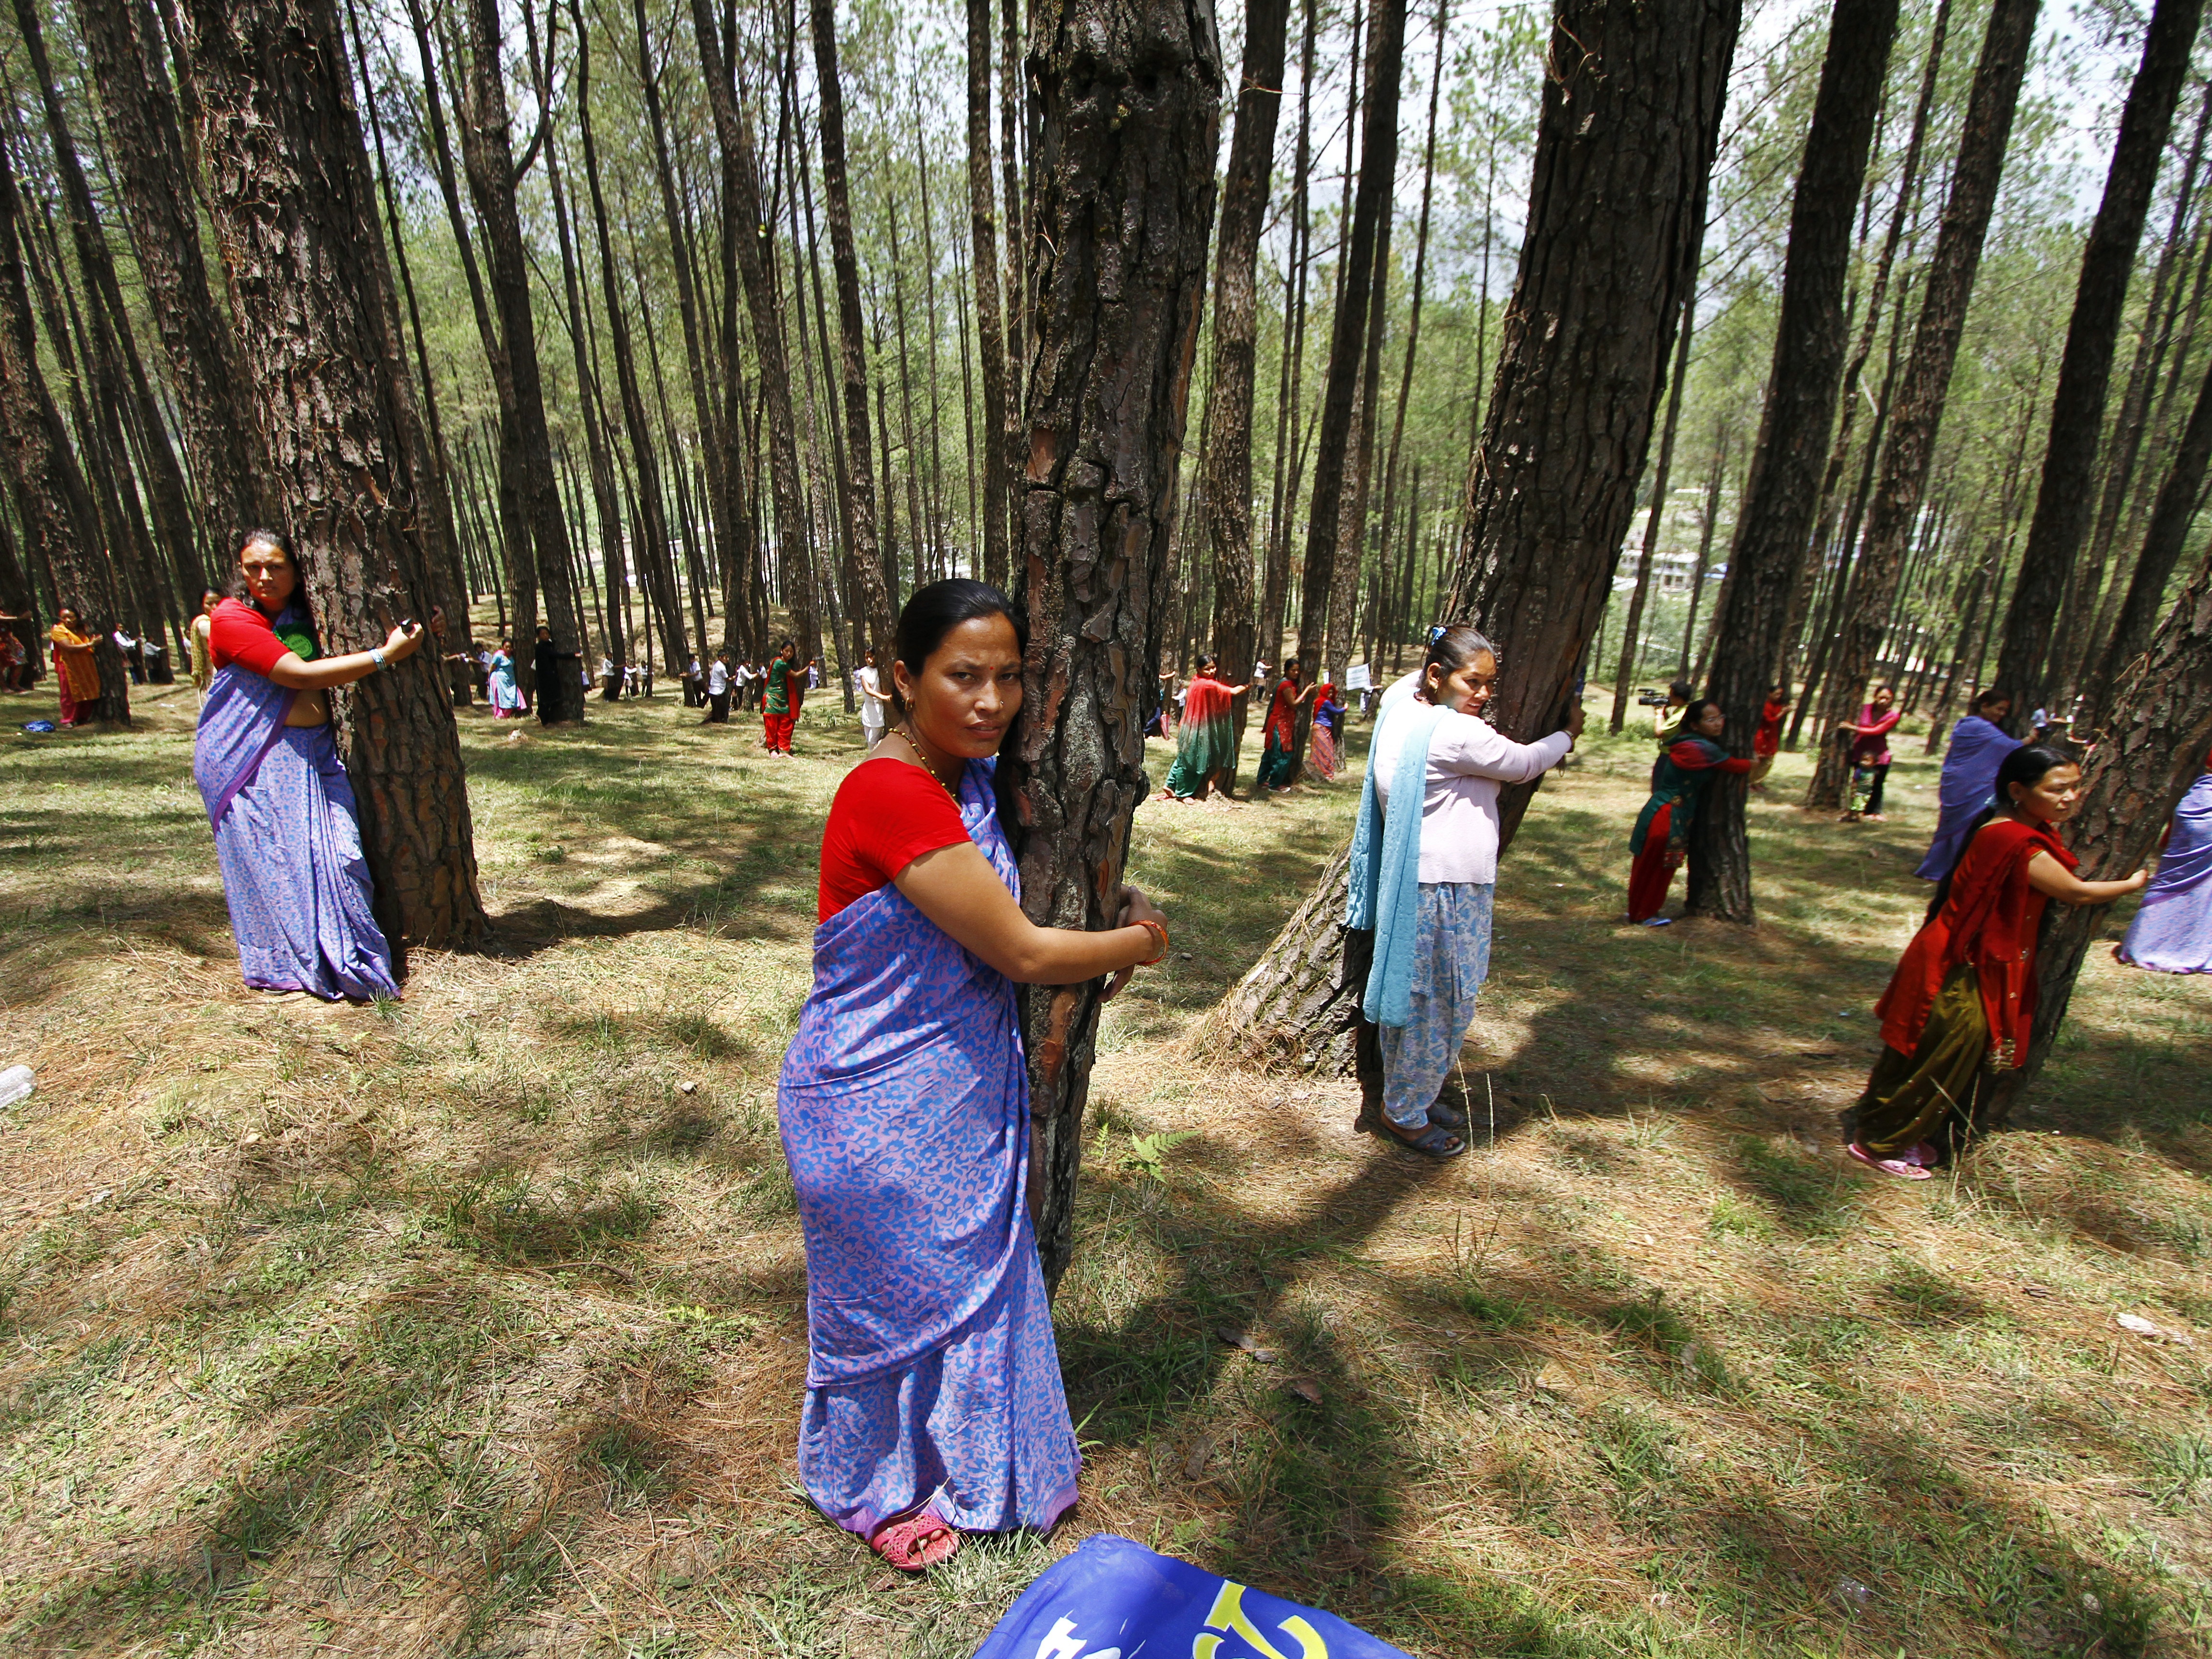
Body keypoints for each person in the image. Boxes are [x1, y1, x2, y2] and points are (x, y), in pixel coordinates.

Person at [780, 578, 1169, 1572]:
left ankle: (969, 1467)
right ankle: (871, 1484)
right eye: (962, 677)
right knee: (895, 1302)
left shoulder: (968, 782)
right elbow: (1026, 955)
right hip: (873, 1100)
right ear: (905, 678)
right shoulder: (890, 790)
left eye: (1007, 677)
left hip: (949, 1092)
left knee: (962, 1284)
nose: (991, 701)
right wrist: (1139, 940)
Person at [1847, 745, 2148, 1177]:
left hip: (1962, 957)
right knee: (1940, 1051)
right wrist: (2133, 883)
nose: (2070, 798)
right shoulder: (2012, 838)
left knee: (1935, 1050)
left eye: (2077, 787)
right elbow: (2075, 892)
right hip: (1958, 963)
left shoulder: (2023, 829)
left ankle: (1895, 1132)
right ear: (2017, 791)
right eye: (2058, 789)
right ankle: (1879, 1144)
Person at [1348, 626, 1580, 1159]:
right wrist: (1568, 734)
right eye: (1471, 681)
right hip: (1446, 889)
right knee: (1443, 1004)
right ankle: (1404, 1113)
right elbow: (1523, 764)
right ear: (1437, 676)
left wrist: (1441, 656)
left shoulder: (1401, 707)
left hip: (1416, 885)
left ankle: (1414, 1095)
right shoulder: (1455, 733)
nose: (1481, 695)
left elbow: (1410, 681)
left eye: (1489, 684)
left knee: (1418, 1001)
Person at [194, 529, 441, 1002]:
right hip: (252, 760)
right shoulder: (232, 618)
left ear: (297, 566)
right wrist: (384, 656)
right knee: (278, 866)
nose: (264, 576)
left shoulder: (309, 613)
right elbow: (298, 674)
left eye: (276, 566)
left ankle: (345, 955)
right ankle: (291, 965)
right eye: (253, 567)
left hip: (312, 753)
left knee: (339, 854)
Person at [1627, 698, 1752, 926]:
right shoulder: (1697, 748)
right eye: (1710, 719)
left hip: (1666, 810)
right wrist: (1756, 764)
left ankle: (1638, 911)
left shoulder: (1688, 742)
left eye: (1720, 718)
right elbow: (1737, 766)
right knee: (1658, 866)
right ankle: (1644, 914)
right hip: (1669, 814)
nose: (1718, 724)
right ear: (1695, 725)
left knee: (1650, 865)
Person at [2116, 748, 2212, 975]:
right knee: (2187, 880)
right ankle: (2177, 947)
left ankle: (2150, 942)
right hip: (2202, 803)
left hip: (2198, 798)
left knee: (2179, 879)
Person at [1916, 689, 2022, 880]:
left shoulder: (1971, 725)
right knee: (1962, 825)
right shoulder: (1976, 725)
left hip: (1964, 781)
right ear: (1984, 706)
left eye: (2005, 711)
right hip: (1966, 783)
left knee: (1963, 826)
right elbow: (2010, 748)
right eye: (1999, 709)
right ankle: (1946, 867)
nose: (2002, 714)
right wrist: (2033, 738)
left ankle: (1947, 867)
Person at [1158, 654, 1248, 800]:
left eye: (1214, 667)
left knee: (1184, 757)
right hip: (1198, 728)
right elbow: (1233, 692)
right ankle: (1183, 793)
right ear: (1199, 669)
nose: (1212, 671)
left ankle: (1170, 784)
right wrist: (1248, 685)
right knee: (1194, 761)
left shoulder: (1196, 680)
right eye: (1207, 669)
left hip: (1190, 726)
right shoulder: (1207, 684)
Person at [1837, 684, 1901, 821]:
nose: (1884, 701)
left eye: (1888, 698)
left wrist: (1853, 728)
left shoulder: (1893, 716)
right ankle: (1855, 809)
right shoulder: (1863, 709)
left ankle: (1875, 811)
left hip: (1879, 754)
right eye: (1881, 697)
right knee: (1859, 782)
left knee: (1877, 783)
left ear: (1892, 699)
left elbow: (1877, 731)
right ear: (1875, 697)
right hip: (1860, 751)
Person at [1253, 660, 1316, 791]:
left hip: (1281, 722)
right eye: (1293, 670)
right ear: (1287, 670)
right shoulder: (1286, 685)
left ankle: (1262, 780)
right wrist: (1306, 692)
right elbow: (1293, 703)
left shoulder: (1288, 683)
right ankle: (1275, 784)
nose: (1296, 673)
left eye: (1298, 670)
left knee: (1272, 752)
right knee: (1282, 754)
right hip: (1280, 723)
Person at [48, 607, 102, 725]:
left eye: (71, 617)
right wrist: (90, 644)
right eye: (64, 618)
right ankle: (69, 719)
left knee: (88, 690)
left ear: (77, 617)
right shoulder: (59, 631)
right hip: (69, 666)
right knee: (70, 694)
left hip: (86, 665)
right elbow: (69, 647)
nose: (68, 620)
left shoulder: (82, 629)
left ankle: (84, 717)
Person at [1748, 685, 1791, 789]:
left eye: (1780, 694)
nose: (1778, 696)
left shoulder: (1777, 705)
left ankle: (1758, 782)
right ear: (1769, 693)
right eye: (1776, 694)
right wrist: (1783, 713)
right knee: (1757, 760)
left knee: (1768, 761)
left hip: (1772, 735)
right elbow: (1770, 720)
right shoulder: (1765, 705)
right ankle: (1749, 782)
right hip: (1762, 735)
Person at [534, 625, 577, 726]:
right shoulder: (541, 647)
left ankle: (545, 718)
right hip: (544, 676)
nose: (545, 636)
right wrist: (573, 655)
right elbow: (557, 655)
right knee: (546, 699)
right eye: (543, 634)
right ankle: (544, 720)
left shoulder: (550, 645)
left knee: (554, 698)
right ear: (539, 636)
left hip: (551, 674)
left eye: (547, 634)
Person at [764, 638, 801, 755]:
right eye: (787, 651)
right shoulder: (779, 662)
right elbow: (795, 675)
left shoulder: (786, 664)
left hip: (784, 701)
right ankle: (773, 750)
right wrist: (808, 668)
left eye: (791, 652)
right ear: (781, 651)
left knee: (786, 724)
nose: (789, 654)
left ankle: (784, 750)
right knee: (772, 725)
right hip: (773, 700)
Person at [1309, 679, 1348, 783]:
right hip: (1322, 728)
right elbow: (1336, 711)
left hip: (1318, 727)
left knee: (1318, 751)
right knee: (1327, 751)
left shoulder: (1319, 701)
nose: (1330, 695)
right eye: (1329, 692)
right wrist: (1345, 708)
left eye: (1332, 692)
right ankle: (1327, 773)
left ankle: (1319, 771)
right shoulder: (1325, 702)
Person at [190, 588, 222, 697]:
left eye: (219, 602)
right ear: (202, 606)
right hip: (215, 678)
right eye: (209, 603)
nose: (215, 607)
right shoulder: (203, 624)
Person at [855, 648, 891, 746]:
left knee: (873, 739)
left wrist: (883, 698)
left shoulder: (882, 670)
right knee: (869, 740)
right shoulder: (864, 672)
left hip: (879, 709)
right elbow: (867, 689)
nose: (870, 660)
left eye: (872, 656)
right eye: (867, 658)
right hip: (868, 708)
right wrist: (883, 697)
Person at [487, 638, 526, 717]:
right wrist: (489, 678)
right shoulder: (499, 656)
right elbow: (491, 668)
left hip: (510, 680)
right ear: (502, 647)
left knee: (512, 697)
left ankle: (507, 713)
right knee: (501, 697)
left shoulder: (512, 656)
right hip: (500, 680)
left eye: (510, 647)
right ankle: (500, 714)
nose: (508, 649)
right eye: (506, 647)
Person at [1653, 679, 1693, 746]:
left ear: (1679, 698)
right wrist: (1664, 713)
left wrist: (1659, 716)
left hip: (1669, 753)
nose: (1669, 698)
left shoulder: (1679, 716)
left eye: (1671, 696)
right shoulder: (1686, 709)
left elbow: (1659, 734)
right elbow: (1671, 727)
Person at [704, 649, 732, 723]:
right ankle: (716, 722)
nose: (727, 659)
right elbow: (727, 679)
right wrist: (735, 677)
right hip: (718, 691)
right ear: (720, 658)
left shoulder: (717, 664)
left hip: (716, 690)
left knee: (716, 710)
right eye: (726, 657)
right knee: (717, 711)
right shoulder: (721, 667)